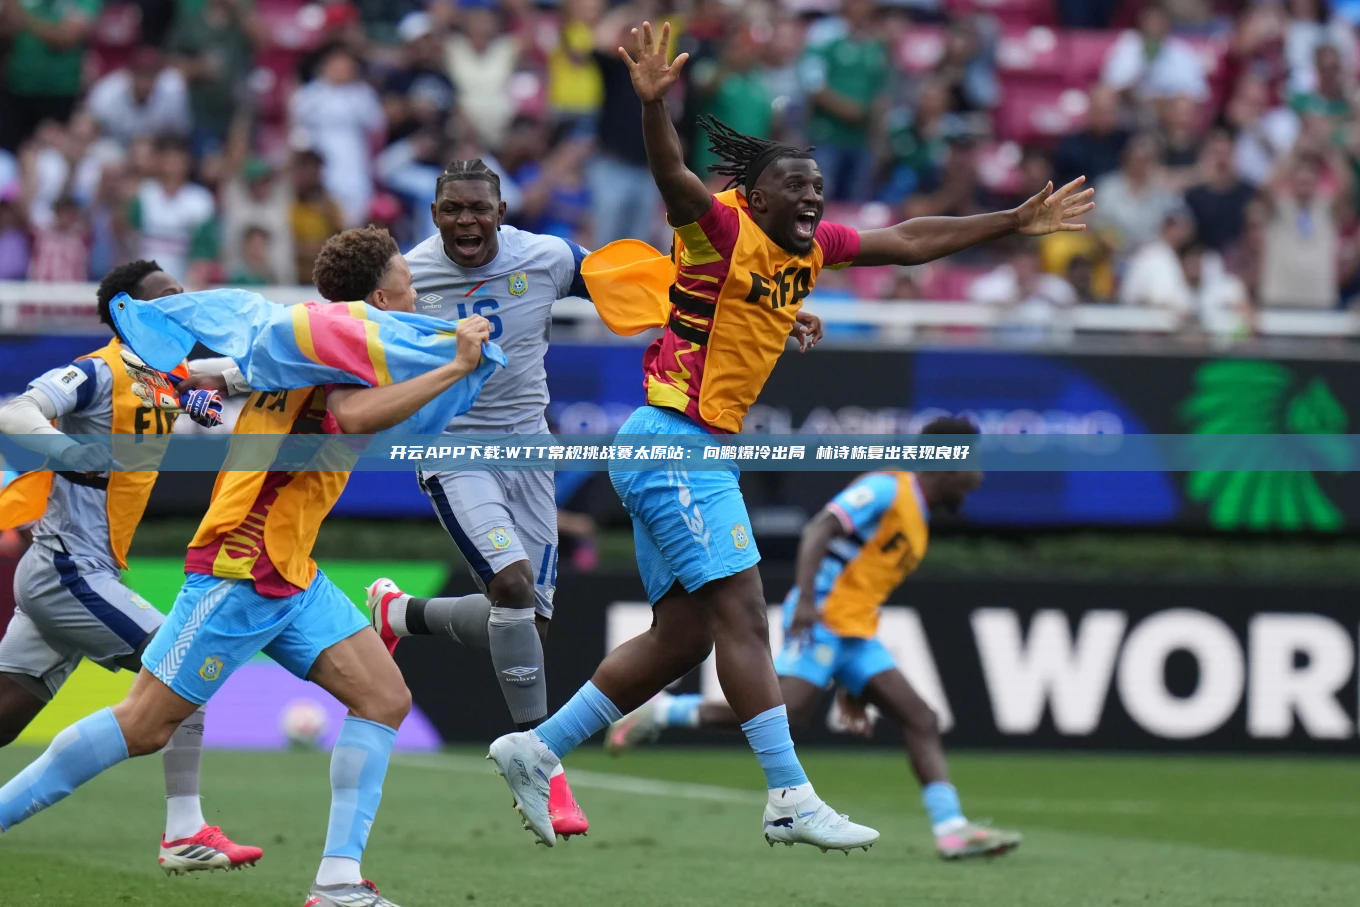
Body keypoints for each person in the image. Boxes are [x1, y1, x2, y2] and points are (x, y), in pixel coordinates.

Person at [485, 20, 1093, 852]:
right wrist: (655, 107)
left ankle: (538, 746)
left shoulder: (806, 250)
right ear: (758, 198)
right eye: (795, 187)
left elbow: (907, 240)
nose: (813, 198)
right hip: (675, 442)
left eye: (818, 187)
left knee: (683, 638)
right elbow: (672, 177)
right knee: (744, 613)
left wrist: (1012, 221)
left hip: (680, 445)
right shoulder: (720, 229)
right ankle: (787, 794)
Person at [0, 228, 494, 907]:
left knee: (384, 698)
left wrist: (216, 376)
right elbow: (351, 416)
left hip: (291, 568)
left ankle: (338, 882)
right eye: (408, 282)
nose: (417, 293)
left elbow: (249, 372)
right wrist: (455, 367)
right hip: (242, 562)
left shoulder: (306, 338)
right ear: (380, 299)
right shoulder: (338, 346)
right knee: (144, 724)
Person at [606, 419, 1022, 860]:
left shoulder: (917, 515)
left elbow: (861, 580)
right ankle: (664, 710)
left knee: (920, 718)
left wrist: (855, 683)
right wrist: (806, 600)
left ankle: (951, 829)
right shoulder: (887, 489)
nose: (979, 478)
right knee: (786, 711)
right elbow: (820, 527)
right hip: (821, 619)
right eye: (974, 465)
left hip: (856, 634)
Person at [0, 260, 259, 874]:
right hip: (69, 570)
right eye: (164, 298)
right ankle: (184, 831)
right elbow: (15, 412)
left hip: (84, 573)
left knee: (5, 716)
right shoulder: (98, 370)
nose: (180, 304)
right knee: (183, 665)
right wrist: (69, 449)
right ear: (127, 312)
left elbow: (228, 383)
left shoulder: (164, 378)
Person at [367, 158, 593, 839]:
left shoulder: (547, 257)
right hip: (454, 447)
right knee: (513, 586)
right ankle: (541, 764)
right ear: (434, 214)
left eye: (479, 208)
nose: (467, 220)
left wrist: (757, 316)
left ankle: (401, 613)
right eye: (453, 209)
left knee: (526, 624)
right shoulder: (408, 277)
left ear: (502, 212)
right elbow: (336, 331)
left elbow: (636, 284)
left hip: (529, 448)